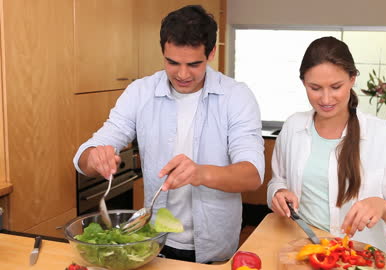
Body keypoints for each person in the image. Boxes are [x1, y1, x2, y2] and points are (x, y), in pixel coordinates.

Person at [73, 5, 264, 263]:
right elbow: (87, 155)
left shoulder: (236, 97)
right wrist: (94, 157)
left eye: (194, 64)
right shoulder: (140, 92)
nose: (182, 74)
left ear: (211, 53)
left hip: (215, 246)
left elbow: (252, 174)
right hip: (153, 241)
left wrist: (200, 173)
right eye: (172, 62)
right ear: (162, 51)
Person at [266, 36, 386, 255]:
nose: (325, 98)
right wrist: (279, 192)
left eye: (336, 86)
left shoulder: (383, 135)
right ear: (303, 82)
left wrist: (383, 206)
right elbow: (279, 180)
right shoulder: (293, 127)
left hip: (361, 257)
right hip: (304, 251)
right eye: (315, 87)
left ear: (352, 79)